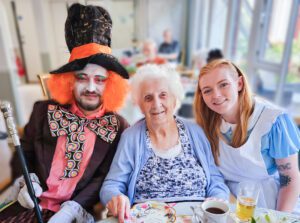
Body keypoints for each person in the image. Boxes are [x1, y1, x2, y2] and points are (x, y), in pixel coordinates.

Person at [0, 3, 129, 222]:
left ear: (110, 84)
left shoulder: (117, 126)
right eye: (82, 77)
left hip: (75, 212)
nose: (90, 87)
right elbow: (24, 154)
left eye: (99, 80)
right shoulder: (43, 111)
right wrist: (26, 180)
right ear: (69, 81)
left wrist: (73, 208)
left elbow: (103, 178)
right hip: (32, 206)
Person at [100, 64, 230, 223]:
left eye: (163, 95)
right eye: (148, 98)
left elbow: (215, 180)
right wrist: (116, 198)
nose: (156, 104)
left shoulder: (195, 132)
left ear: (175, 100)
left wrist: (218, 199)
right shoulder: (131, 138)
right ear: (140, 105)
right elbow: (112, 184)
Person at [194, 59, 300, 212]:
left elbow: (289, 179)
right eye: (207, 90)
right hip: (226, 200)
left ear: (239, 84)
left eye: (223, 84)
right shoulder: (207, 123)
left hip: (269, 203)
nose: (216, 95)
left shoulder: (273, 120)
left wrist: (279, 218)